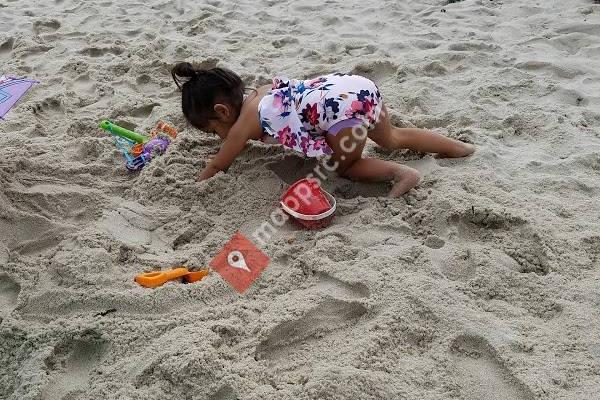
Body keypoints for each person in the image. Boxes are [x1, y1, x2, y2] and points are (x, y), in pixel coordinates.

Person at [171, 62, 474, 197]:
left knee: (347, 167)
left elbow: (219, 163)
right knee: (392, 137)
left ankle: (401, 173)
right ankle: (459, 148)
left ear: (222, 113)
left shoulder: (241, 126)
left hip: (341, 115)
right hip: (359, 88)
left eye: (212, 132)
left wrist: (196, 184)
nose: (219, 139)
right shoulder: (261, 93)